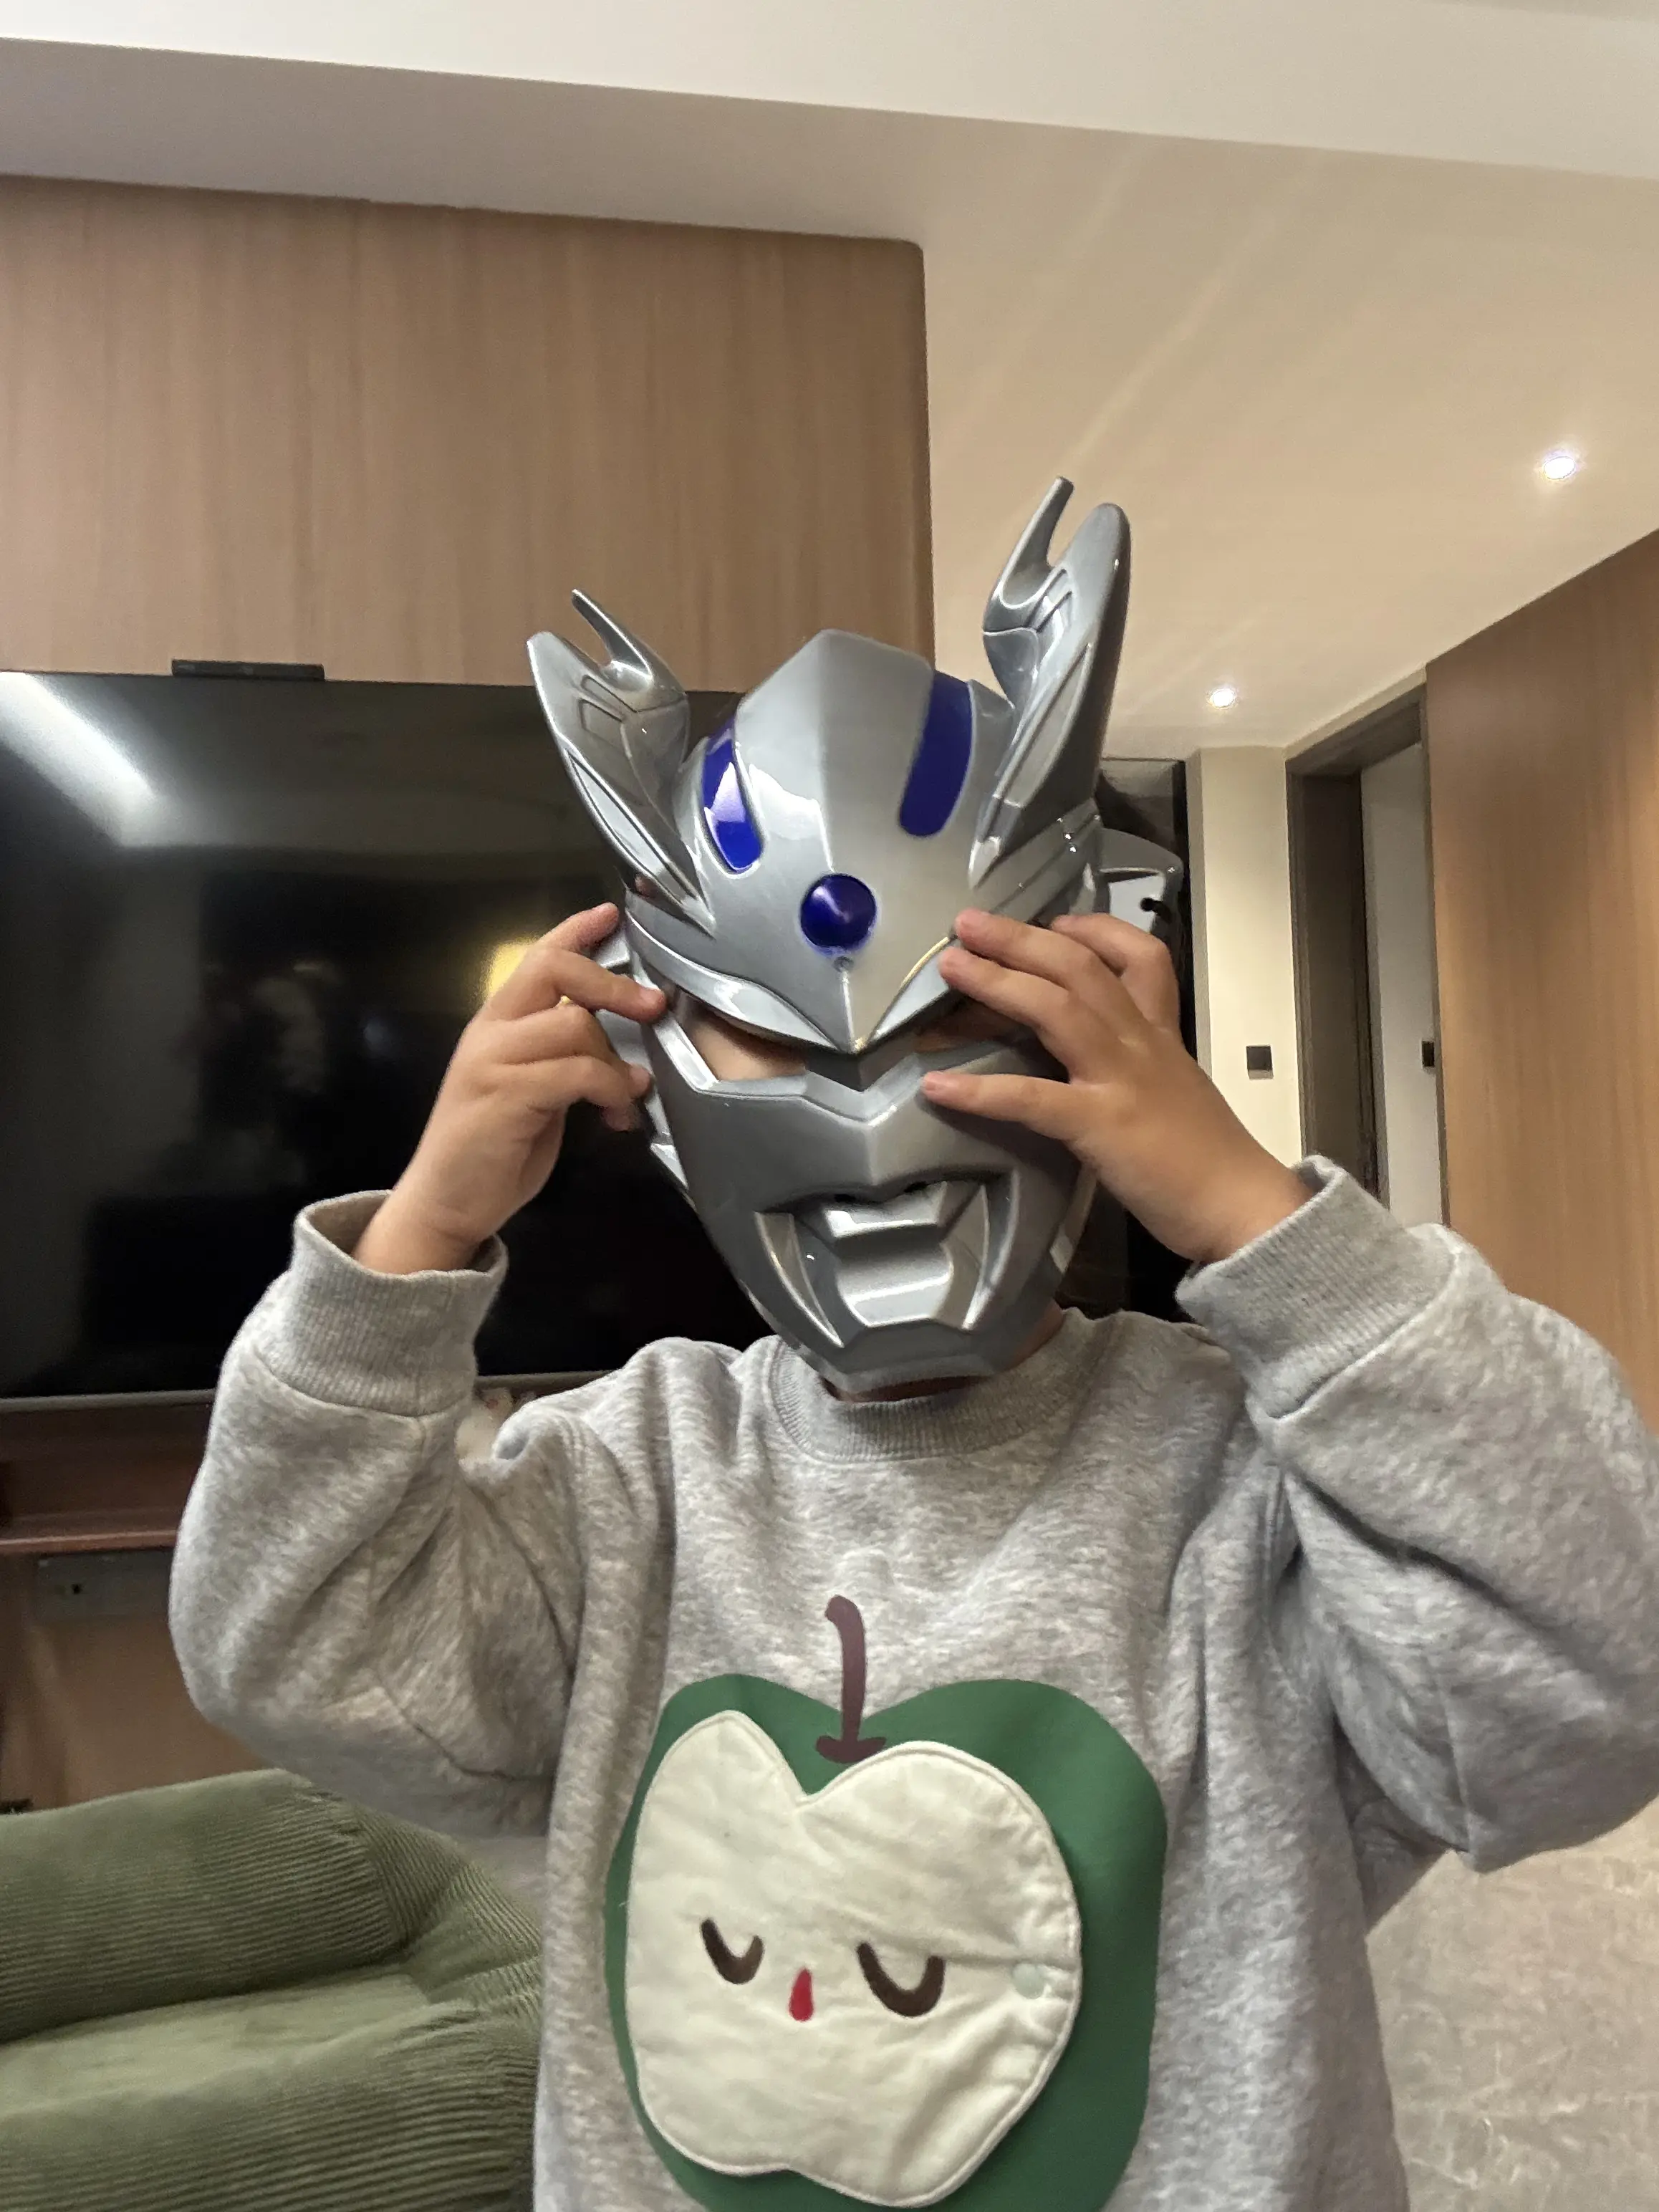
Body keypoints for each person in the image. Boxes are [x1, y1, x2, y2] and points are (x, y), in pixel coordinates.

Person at [172, 486, 1659, 2212]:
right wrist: (415, 1239)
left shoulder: (1253, 1487)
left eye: (956, 1014)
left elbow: (1593, 1680)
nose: (874, 1109)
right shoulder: (631, 1478)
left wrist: (1270, 1226)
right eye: (774, 1040)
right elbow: (291, 1646)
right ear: (650, 1064)